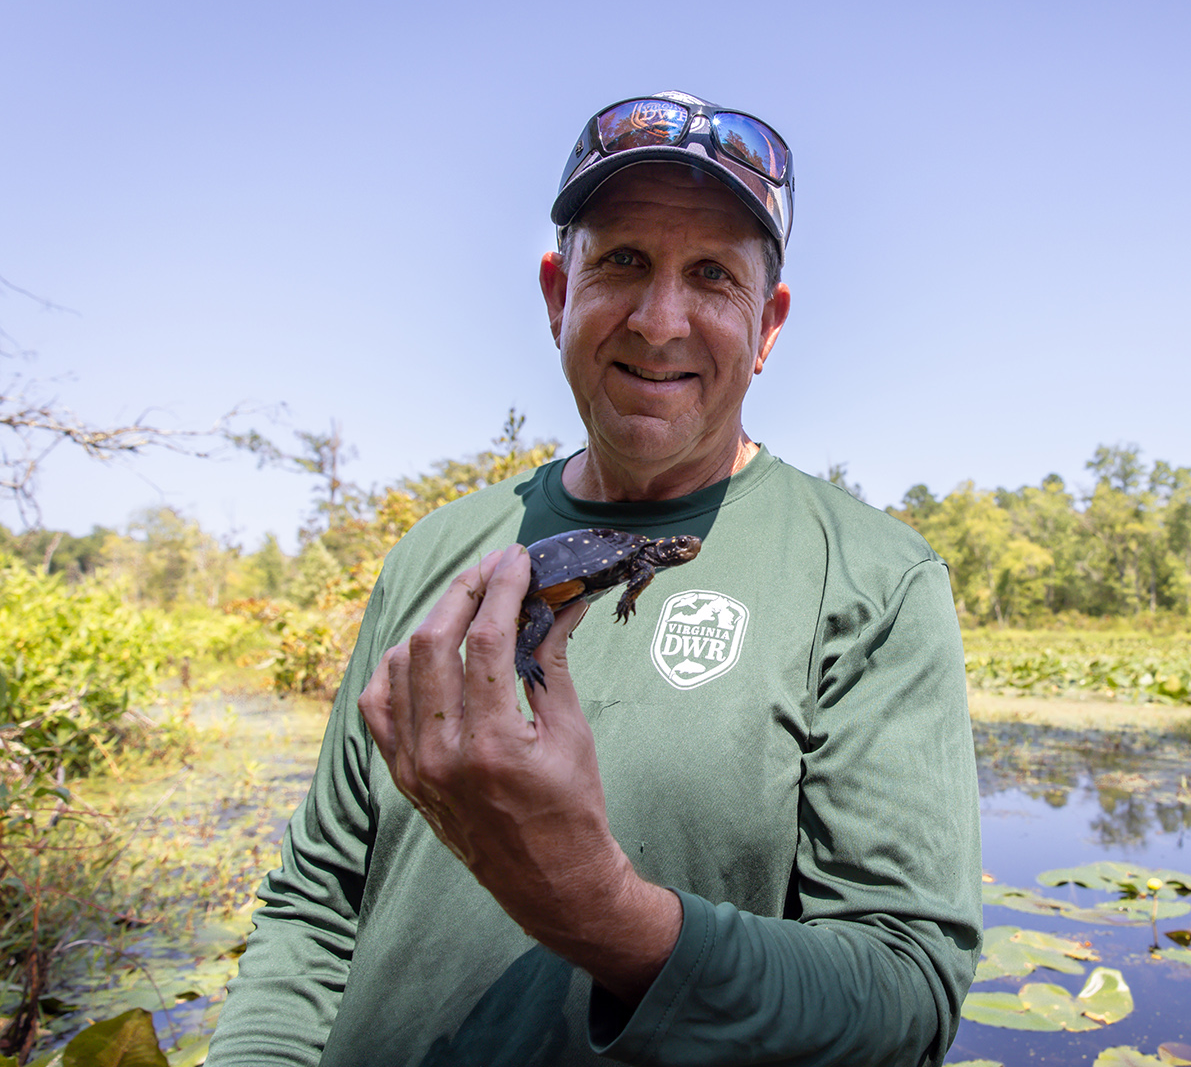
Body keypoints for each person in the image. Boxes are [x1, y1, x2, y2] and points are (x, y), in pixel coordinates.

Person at [207, 91, 982, 1066]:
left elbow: (908, 995)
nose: (661, 321)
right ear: (556, 294)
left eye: (711, 274)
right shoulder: (437, 553)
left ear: (769, 324)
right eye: (621, 261)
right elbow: (316, 903)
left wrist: (592, 903)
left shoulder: (874, 579)